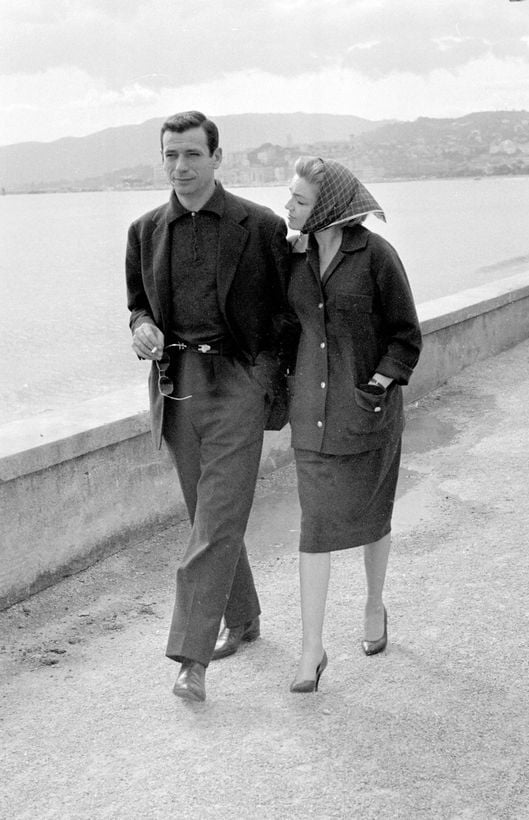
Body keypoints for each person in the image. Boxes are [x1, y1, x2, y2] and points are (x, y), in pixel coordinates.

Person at [126, 110, 291, 702]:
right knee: (209, 517)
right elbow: (137, 305)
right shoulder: (144, 230)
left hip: (237, 385)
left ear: (217, 157)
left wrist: (261, 380)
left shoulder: (262, 226)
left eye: (192, 154)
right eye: (171, 155)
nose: (180, 167)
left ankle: (190, 658)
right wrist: (141, 328)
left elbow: (285, 316)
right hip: (178, 388)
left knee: (216, 520)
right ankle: (243, 618)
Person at [284, 156, 422, 693]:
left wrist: (381, 384)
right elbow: (280, 325)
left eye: (298, 200)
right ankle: (311, 648)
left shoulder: (377, 257)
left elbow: (406, 334)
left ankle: (373, 604)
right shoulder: (290, 258)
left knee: (372, 517)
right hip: (311, 420)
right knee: (314, 528)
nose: (287, 207)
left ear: (330, 208)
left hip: (367, 415)